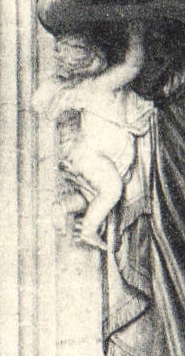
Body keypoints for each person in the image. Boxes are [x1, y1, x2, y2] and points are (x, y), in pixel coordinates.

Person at [32, 34, 154, 249]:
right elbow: (133, 65)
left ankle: (64, 207)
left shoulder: (85, 88)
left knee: (91, 194)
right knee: (111, 190)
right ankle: (88, 229)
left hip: (95, 155)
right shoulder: (99, 85)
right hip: (92, 156)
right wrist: (135, 32)